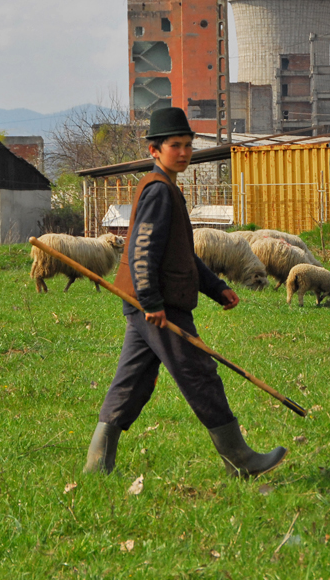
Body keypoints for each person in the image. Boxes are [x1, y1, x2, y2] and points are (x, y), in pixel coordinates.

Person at [83, 107, 286, 477]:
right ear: (154, 150)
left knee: (132, 383)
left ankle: (96, 467)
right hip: (157, 306)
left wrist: (216, 287)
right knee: (200, 375)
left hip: (148, 303)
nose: (184, 152)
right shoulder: (159, 191)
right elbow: (142, 250)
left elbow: (181, 254)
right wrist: (152, 302)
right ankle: (240, 461)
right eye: (174, 145)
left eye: (188, 145)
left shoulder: (165, 189)